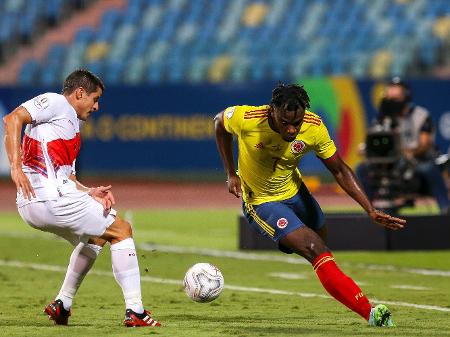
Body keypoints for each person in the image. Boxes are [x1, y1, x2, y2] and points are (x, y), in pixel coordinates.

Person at [214, 83, 406, 327]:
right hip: (261, 201)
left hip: (297, 193)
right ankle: (371, 313)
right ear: (272, 111)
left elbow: (339, 169)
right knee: (314, 247)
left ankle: (289, 240)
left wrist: (369, 208)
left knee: (321, 238)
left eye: (297, 122)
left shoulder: (313, 126)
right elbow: (219, 123)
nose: (293, 130)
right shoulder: (248, 118)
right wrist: (231, 173)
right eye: (285, 123)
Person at [3, 69, 160, 327]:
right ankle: (136, 310)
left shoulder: (71, 129)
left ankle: (62, 304)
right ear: (79, 93)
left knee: (98, 236)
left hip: (34, 203)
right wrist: (15, 166)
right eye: (95, 99)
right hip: (49, 199)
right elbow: (12, 119)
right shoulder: (56, 102)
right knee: (122, 230)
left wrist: (90, 192)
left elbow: (68, 178)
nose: (97, 107)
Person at [356, 77, 450, 214]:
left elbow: (425, 143)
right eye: (390, 98)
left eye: (396, 98)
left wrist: (406, 152)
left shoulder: (421, 115)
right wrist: (367, 149)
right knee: (362, 169)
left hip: (417, 160)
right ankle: (369, 210)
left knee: (429, 168)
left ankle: (445, 207)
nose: (392, 102)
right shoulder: (383, 118)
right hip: (390, 162)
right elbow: (376, 140)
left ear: (406, 97)